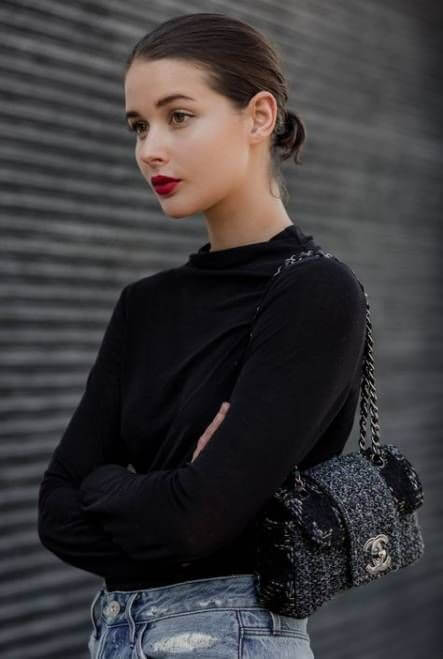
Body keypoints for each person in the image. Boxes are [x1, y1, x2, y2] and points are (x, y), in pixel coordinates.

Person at [37, 12, 367, 658]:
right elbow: (54, 510)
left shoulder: (314, 293)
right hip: (113, 635)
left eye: (177, 116)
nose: (149, 149)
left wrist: (104, 485)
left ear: (258, 116)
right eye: (138, 126)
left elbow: (197, 519)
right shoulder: (144, 305)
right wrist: (173, 495)